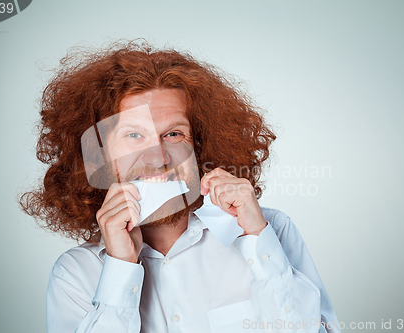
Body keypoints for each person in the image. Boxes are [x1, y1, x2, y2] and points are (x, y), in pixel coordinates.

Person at [20, 41, 341, 333]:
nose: (158, 157)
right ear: (99, 156)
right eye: (134, 136)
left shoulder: (272, 231)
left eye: (173, 134)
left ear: (199, 144)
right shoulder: (76, 273)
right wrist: (119, 268)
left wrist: (258, 238)